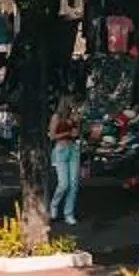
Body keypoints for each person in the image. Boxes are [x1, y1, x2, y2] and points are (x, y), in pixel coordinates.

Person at [48, 96, 84, 227]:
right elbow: (52, 136)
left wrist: (77, 130)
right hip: (61, 149)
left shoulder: (75, 116)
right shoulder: (56, 117)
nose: (74, 104)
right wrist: (67, 133)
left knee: (74, 183)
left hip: (73, 149)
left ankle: (69, 213)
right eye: (71, 101)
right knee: (64, 184)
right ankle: (54, 205)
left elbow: (78, 132)